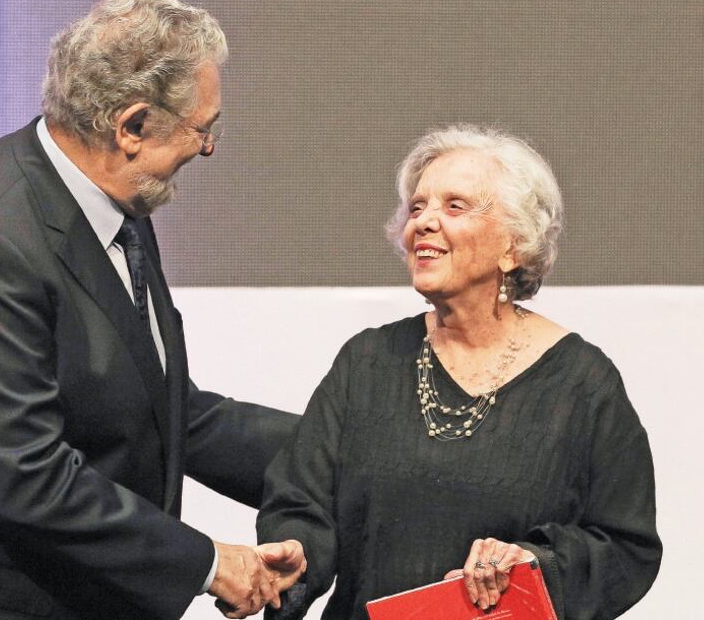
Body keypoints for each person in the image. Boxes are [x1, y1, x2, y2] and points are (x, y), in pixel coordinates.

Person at [0, 0, 304, 620]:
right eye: (202, 129)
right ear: (133, 126)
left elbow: (165, 412)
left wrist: (344, 446)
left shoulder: (115, 199)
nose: (208, 148)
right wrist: (209, 564)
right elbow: (28, 476)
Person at [257, 124, 662, 619]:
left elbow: (627, 546)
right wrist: (295, 556)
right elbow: (301, 503)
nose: (423, 222)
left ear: (514, 245)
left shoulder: (583, 384)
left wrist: (535, 562)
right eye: (417, 207)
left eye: (454, 207)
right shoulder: (367, 361)